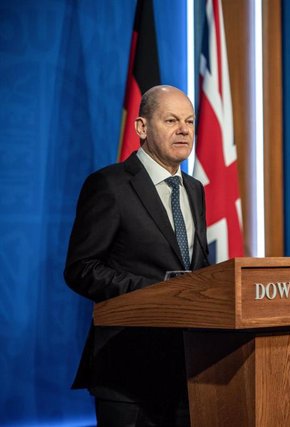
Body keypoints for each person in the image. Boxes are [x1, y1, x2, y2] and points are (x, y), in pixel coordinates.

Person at [64, 85, 210, 426]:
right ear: (141, 128)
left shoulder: (194, 189)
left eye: (189, 121)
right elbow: (81, 268)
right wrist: (155, 292)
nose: (184, 130)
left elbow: (194, 267)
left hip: (189, 371)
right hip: (128, 372)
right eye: (171, 120)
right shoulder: (109, 185)